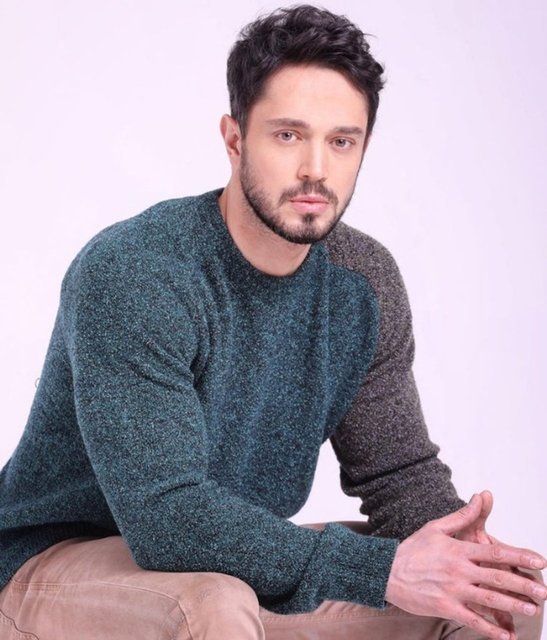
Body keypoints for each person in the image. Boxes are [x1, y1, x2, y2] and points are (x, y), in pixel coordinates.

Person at [0, 5, 544, 640]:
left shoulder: (361, 281)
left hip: (231, 563)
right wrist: (379, 570)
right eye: (288, 135)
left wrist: (457, 547)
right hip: (51, 567)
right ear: (234, 139)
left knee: (494, 596)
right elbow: (166, 517)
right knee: (212, 603)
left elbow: (396, 472)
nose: (316, 168)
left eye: (341, 141)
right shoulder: (138, 272)